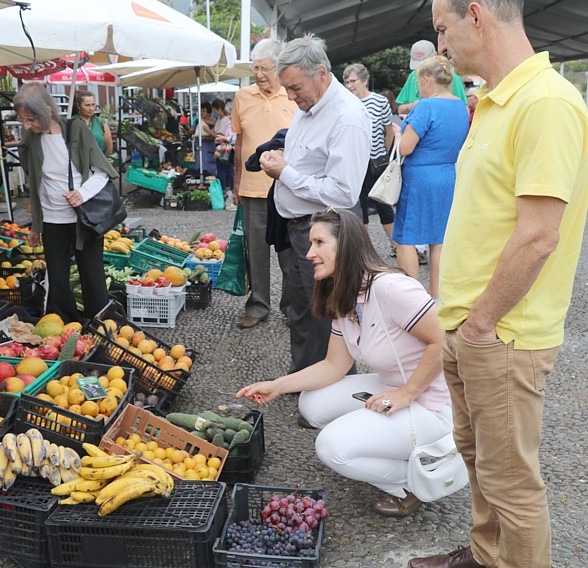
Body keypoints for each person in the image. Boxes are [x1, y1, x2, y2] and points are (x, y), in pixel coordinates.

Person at [407, 1, 588, 567]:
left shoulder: (547, 103)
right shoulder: (493, 101)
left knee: (513, 485)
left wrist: (482, 322)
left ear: (476, 16)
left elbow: (539, 236)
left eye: (443, 29)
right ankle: (486, 557)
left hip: (502, 332)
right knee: (482, 463)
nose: (441, 46)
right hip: (471, 325)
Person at [237, 208, 452, 517]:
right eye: (310, 243)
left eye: (319, 243)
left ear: (346, 245)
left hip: (435, 406)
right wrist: (278, 386)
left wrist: (407, 394)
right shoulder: (345, 292)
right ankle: (392, 449)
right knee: (312, 405)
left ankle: (413, 482)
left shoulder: (389, 287)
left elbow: (445, 339)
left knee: (331, 447)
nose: (310, 252)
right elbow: (333, 365)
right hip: (393, 385)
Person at [262, 34, 370, 372]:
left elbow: (344, 192)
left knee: (327, 315)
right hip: (300, 228)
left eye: (295, 88)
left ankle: (331, 394)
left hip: (325, 231)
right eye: (287, 90)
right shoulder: (308, 108)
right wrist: (282, 158)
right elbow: (309, 161)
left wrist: (286, 173)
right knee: (302, 308)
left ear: (321, 73)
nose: (291, 98)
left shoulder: (346, 117)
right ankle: (304, 379)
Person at [14, 83, 118, 323]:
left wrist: (82, 193)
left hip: (84, 217)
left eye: (31, 119)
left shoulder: (76, 130)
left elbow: (102, 172)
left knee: (92, 276)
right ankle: (68, 326)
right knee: (58, 280)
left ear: (47, 111)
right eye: (23, 121)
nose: (27, 126)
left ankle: (100, 324)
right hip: (53, 220)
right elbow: (36, 183)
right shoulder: (31, 139)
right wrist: (36, 225)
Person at [231, 38, 297, 329]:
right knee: (255, 251)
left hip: (286, 186)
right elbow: (240, 141)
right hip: (252, 189)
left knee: (289, 252)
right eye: (254, 68)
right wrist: (236, 182)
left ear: (278, 67)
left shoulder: (292, 95)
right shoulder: (242, 97)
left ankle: (292, 308)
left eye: (264, 68)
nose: (258, 74)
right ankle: (258, 305)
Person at [392, 55, 469, 300]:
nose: (418, 88)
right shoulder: (460, 106)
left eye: (418, 82)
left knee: (406, 237)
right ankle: (436, 299)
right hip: (448, 174)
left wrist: (396, 133)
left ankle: (413, 298)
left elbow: (405, 148)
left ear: (426, 78)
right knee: (439, 239)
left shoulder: (426, 107)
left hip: (420, 177)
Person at [342, 63, 396, 242]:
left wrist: (384, 155)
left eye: (352, 81)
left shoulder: (380, 101)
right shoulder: (345, 102)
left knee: (384, 205)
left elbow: (388, 131)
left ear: (364, 80)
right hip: (355, 163)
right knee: (360, 206)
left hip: (376, 161)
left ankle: (396, 245)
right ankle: (362, 250)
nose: (349, 85)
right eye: (346, 82)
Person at [396, 40, 468, 116]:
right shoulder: (413, 76)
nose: (421, 70)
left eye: (425, 66)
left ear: (436, 56)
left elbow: (464, 110)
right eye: (418, 67)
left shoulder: (451, 76)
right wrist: (411, 106)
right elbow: (400, 110)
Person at [72, 90, 113, 155]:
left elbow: (109, 148)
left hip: (99, 160)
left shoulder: (101, 122)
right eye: (87, 105)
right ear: (78, 106)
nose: (91, 108)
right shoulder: (71, 122)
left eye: (93, 105)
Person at [211, 98, 235, 206]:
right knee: (223, 168)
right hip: (220, 145)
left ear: (219, 109)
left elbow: (220, 133)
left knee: (225, 168)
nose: (214, 112)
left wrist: (209, 131)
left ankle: (226, 190)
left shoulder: (225, 120)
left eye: (214, 110)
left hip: (224, 146)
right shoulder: (219, 119)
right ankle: (226, 189)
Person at [193, 101, 217, 176]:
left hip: (208, 150)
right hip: (199, 149)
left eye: (204, 111)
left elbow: (214, 136)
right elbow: (193, 130)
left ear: (209, 113)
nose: (201, 113)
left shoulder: (213, 123)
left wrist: (205, 136)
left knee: (209, 171)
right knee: (198, 169)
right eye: (201, 111)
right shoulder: (197, 121)